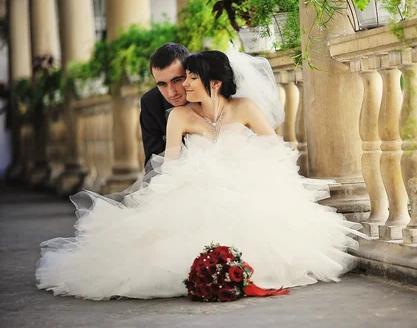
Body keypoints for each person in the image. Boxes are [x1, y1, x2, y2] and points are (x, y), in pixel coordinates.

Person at [35, 50, 365, 300]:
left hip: (247, 181)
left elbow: (274, 148)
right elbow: (168, 162)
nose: (180, 86)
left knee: (252, 205)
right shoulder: (177, 115)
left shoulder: (245, 107)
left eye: (186, 78)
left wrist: (248, 171)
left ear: (213, 81)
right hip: (196, 183)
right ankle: (216, 267)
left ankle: (245, 267)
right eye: (168, 82)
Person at [140, 43, 190, 166]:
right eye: (162, 84)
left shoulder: (211, 95)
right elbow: (153, 159)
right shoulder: (151, 102)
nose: (171, 92)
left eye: (177, 80)